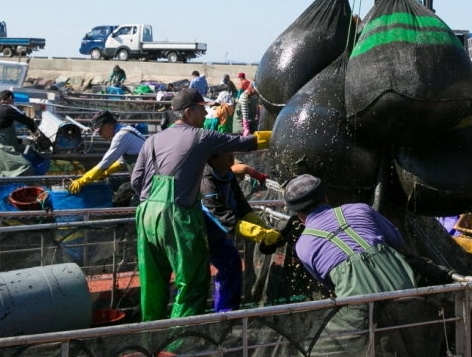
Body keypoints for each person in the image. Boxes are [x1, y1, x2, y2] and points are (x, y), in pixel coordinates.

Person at [130, 88, 271, 321]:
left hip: (145, 213)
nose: (206, 114)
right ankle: (181, 345)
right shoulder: (201, 136)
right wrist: (277, 135)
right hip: (176, 213)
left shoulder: (152, 140)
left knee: (152, 281)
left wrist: (155, 201)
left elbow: (136, 180)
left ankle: (152, 341)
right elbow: (243, 142)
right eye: (202, 109)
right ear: (188, 112)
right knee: (192, 281)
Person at [285, 174, 415, 298]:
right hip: (403, 285)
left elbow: (329, 284)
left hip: (360, 305)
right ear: (326, 198)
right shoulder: (361, 209)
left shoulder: (302, 246)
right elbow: (397, 241)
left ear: (299, 215)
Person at [201, 151, 278, 312]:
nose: (231, 156)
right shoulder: (205, 180)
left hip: (216, 234)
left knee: (232, 262)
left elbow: (241, 205)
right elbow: (219, 212)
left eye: (231, 152)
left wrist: (262, 226)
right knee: (195, 277)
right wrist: (258, 233)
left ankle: (226, 313)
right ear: (213, 158)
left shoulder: (227, 175)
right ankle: (187, 326)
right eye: (226, 153)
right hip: (196, 234)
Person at [67, 110, 147, 194]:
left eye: (100, 130)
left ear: (109, 125)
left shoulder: (121, 135)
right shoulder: (123, 131)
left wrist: (82, 180)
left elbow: (104, 163)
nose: (100, 134)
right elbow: (121, 162)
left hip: (148, 174)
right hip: (145, 174)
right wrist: (104, 173)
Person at [0, 89, 50, 177]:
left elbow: (0, 134)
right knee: (25, 168)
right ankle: (25, 189)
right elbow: (28, 121)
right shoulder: (8, 108)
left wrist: (21, 140)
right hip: (1, 150)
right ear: (11, 98)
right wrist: (38, 134)